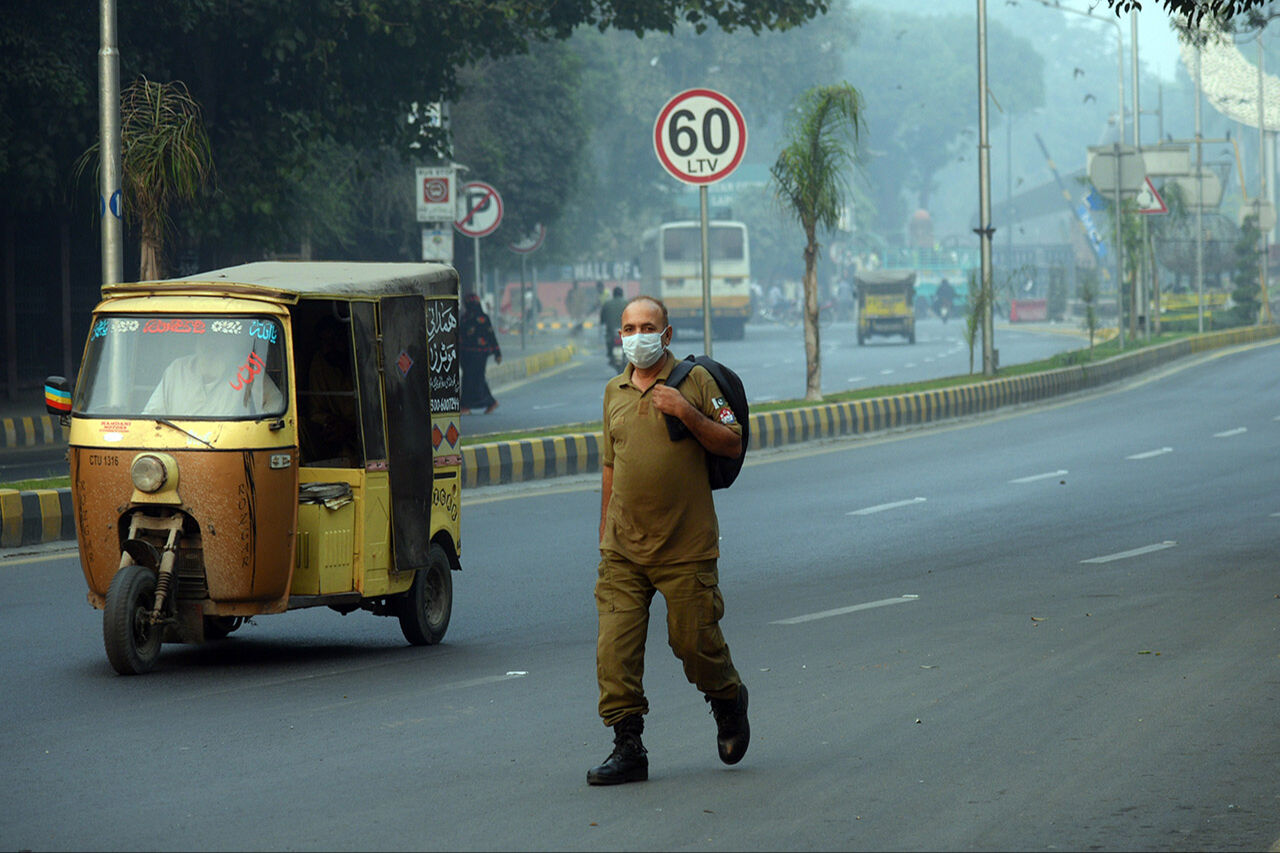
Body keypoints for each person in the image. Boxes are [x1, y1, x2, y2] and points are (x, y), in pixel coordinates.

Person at [587, 295, 749, 786]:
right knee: (614, 652)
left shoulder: (694, 382)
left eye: (648, 326)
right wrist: (604, 536)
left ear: (668, 333)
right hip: (623, 551)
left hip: (685, 549)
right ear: (620, 335)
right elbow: (611, 468)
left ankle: (727, 698)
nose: (638, 336)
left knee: (693, 642)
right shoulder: (614, 391)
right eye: (630, 328)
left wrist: (686, 412)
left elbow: (732, 439)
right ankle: (628, 746)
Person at [143, 329, 282, 417]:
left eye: (218, 336)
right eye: (207, 335)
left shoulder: (249, 371)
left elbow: (276, 410)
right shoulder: (177, 370)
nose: (212, 342)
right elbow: (151, 416)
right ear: (198, 340)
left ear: (230, 341)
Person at [304, 315, 359, 463]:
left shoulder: (362, 359)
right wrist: (331, 422)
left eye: (335, 339)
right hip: (334, 440)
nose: (330, 347)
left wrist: (351, 427)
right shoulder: (320, 363)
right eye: (325, 342)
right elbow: (315, 412)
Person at [459, 291, 502, 414]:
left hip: (479, 355)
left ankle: (466, 406)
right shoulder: (465, 318)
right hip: (467, 355)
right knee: (474, 378)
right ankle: (491, 402)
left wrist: (497, 353)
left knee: (472, 379)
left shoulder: (483, 318)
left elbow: (491, 335)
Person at [599, 285, 627, 368]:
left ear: (613, 294)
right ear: (622, 294)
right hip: (624, 331)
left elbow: (602, 319)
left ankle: (610, 355)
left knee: (608, 341)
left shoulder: (607, 304)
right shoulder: (626, 303)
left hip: (611, 332)